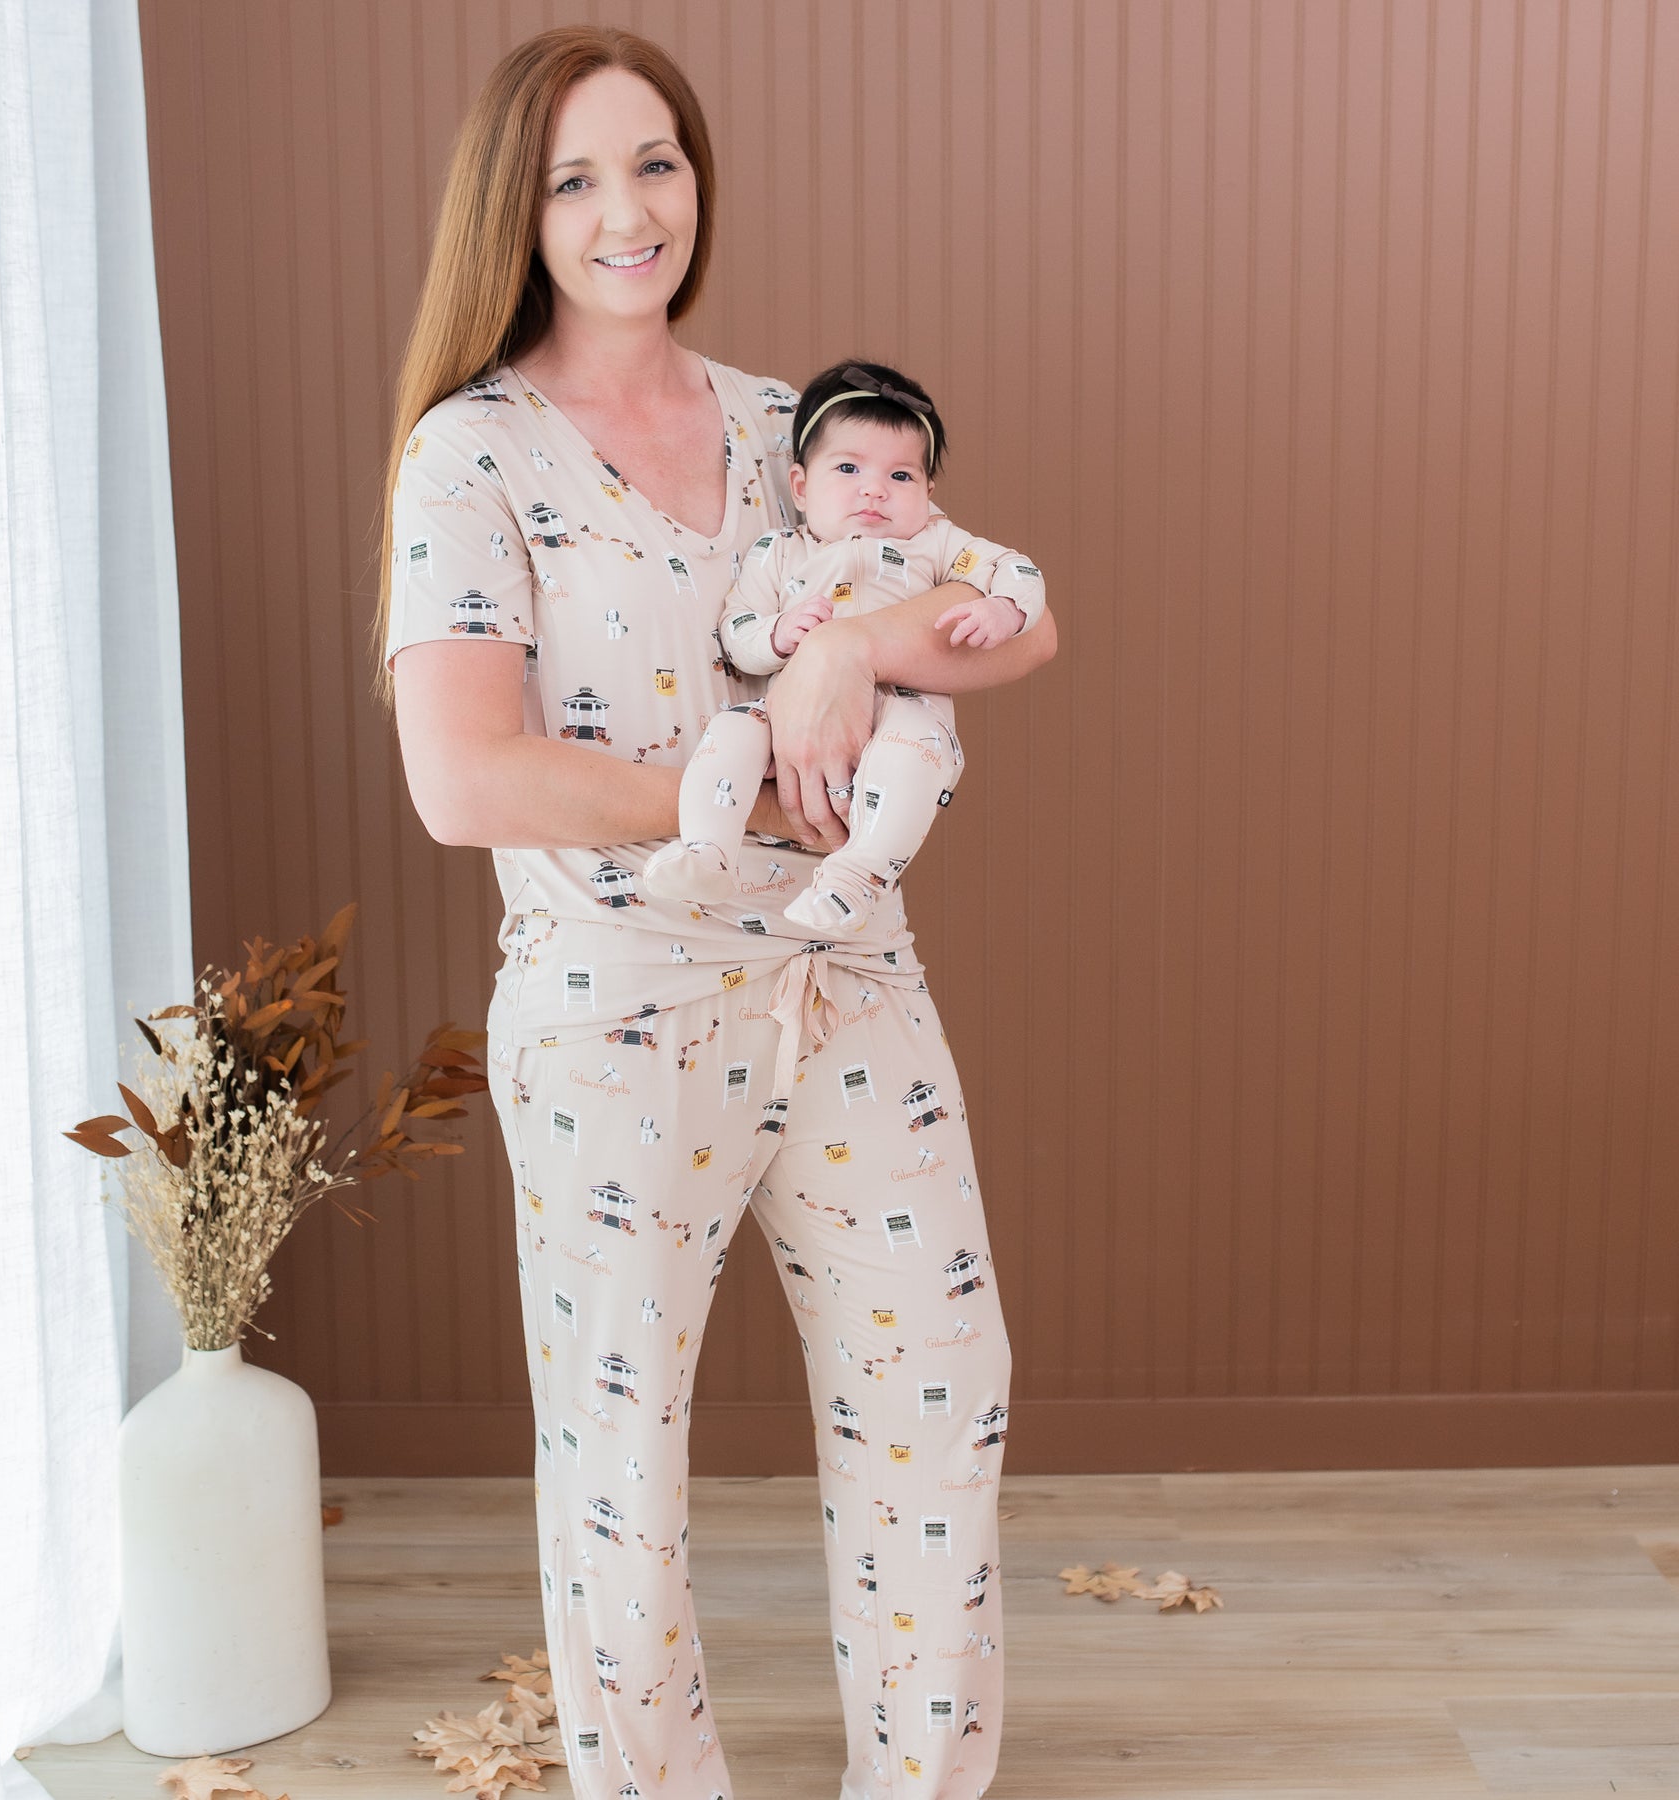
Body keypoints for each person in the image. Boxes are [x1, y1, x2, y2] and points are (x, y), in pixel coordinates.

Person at [376, 25, 1057, 1800]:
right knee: (620, 1471)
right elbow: (464, 778)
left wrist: (846, 650)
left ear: (698, 180)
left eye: (656, 162)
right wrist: (750, 789)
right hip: (616, 1012)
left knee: (938, 1395)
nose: (629, 212)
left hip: (843, 985)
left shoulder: (792, 427)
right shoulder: (473, 456)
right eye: (576, 179)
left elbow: (1016, 620)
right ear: (517, 214)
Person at [641, 358, 1046, 932]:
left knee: (916, 753)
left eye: (901, 476)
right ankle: (708, 851)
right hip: (792, 718)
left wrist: (1003, 607)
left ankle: (859, 876)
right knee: (732, 732)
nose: (875, 489)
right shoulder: (781, 552)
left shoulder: (936, 542)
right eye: (849, 468)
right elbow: (738, 628)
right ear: (802, 487)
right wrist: (777, 634)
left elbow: (1017, 568)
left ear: (928, 493)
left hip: (905, 709)